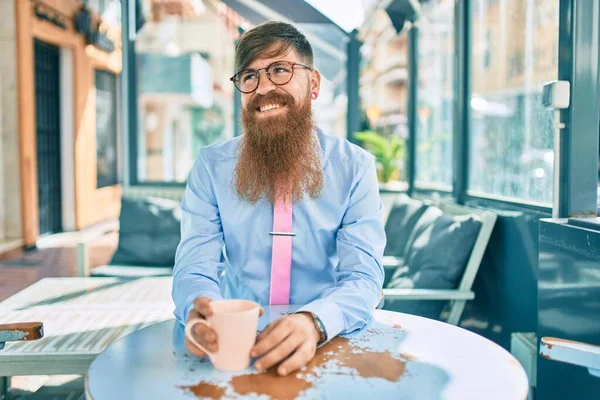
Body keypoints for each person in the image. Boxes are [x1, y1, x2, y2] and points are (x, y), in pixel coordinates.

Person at [172, 20, 386, 376]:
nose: (263, 88)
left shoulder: (355, 168)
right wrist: (198, 309)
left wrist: (314, 321)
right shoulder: (212, 167)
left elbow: (364, 277)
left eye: (280, 70)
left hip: (326, 340)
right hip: (233, 345)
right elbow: (195, 266)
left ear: (313, 84)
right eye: (249, 76)